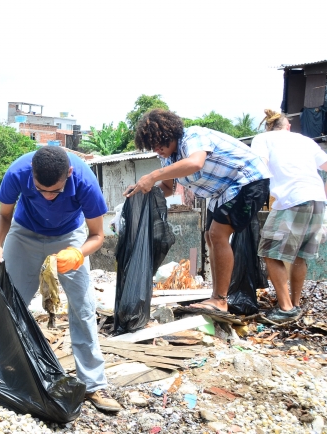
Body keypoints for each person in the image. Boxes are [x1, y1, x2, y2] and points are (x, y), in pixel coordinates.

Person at [0, 146, 122, 412]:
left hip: (69, 235)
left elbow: (97, 235)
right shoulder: (17, 171)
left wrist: (78, 253)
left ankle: (93, 385)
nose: (49, 197)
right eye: (41, 190)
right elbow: (4, 214)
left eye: (56, 191)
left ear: (69, 174)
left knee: (83, 306)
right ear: (32, 175)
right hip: (25, 232)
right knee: (10, 302)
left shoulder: (85, 181)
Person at [126, 109, 271, 313]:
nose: (157, 149)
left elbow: (195, 163)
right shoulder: (168, 158)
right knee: (210, 237)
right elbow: (167, 188)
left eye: (159, 143)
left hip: (247, 180)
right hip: (223, 191)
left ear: (170, 134)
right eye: (152, 147)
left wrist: (152, 175)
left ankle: (220, 300)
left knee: (217, 234)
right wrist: (142, 191)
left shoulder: (193, 136)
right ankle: (217, 296)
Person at [250, 109, 327, 321]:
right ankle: (295, 304)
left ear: (270, 127)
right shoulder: (305, 141)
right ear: (288, 127)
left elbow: (260, 166)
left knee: (269, 251)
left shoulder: (263, 138)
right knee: (299, 256)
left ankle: (285, 309)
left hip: (292, 199)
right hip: (318, 201)